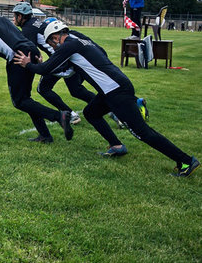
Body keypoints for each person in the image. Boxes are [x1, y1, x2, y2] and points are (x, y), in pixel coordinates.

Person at [13, 21, 199, 177]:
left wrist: (28, 64)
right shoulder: (81, 41)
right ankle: (116, 146)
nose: (52, 47)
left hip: (116, 91)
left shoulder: (69, 45)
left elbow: (46, 70)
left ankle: (185, 161)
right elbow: (67, 68)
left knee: (142, 133)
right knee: (91, 113)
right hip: (111, 90)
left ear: (55, 37)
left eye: (51, 44)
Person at [0, 3, 72, 143]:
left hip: (18, 57)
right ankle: (45, 135)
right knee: (26, 98)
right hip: (30, 51)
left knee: (20, 101)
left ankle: (59, 117)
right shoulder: (0, 19)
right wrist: (34, 54)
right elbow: (19, 35)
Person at [12, 3, 94, 125]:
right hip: (70, 57)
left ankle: (69, 114)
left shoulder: (28, 28)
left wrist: (32, 64)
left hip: (61, 60)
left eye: (15, 16)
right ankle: (109, 107)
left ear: (20, 16)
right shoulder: (36, 22)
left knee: (43, 88)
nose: (13, 18)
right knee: (76, 90)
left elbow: (29, 50)